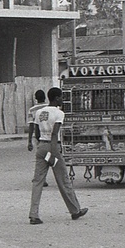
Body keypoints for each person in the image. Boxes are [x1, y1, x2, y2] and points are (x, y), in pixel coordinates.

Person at [29, 87, 87, 224]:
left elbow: (36, 134)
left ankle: (33, 214)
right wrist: (54, 153)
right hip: (53, 146)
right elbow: (55, 134)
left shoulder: (39, 112)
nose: (62, 99)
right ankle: (75, 210)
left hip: (41, 146)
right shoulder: (59, 113)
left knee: (38, 181)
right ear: (56, 98)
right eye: (61, 97)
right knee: (63, 180)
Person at [27, 89, 48, 186]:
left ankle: (40, 178)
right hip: (51, 136)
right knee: (48, 157)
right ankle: (42, 178)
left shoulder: (32, 110)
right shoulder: (50, 107)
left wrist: (29, 141)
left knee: (41, 158)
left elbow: (31, 126)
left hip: (39, 137)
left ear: (36, 98)